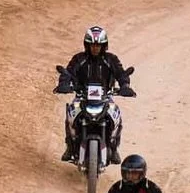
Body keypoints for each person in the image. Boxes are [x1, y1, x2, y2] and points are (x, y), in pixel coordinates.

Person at [56, 25, 134, 161]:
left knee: (116, 114)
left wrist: (125, 86)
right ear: (87, 45)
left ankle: (113, 148)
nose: (95, 48)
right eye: (92, 45)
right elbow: (68, 72)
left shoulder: (111, 59)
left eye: (98, 45)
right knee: (71, 114)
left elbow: (121, 74)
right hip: (81, 96)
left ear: (104, 46)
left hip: (105, 97)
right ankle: (70, 147)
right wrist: (64, 84)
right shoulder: (79, 59)